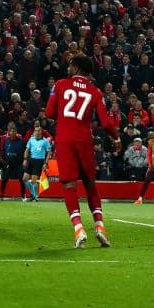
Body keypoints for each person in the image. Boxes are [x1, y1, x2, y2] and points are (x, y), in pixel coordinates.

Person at [44, 55, 122, 248]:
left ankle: (79, 229)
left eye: (71, 65)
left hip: (65, 140)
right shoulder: (96, 92)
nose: (68, 68)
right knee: (90, 183)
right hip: (85, 140)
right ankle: (100, 227)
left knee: (69, 185)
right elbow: (105, 123)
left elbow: (49, 113)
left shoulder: (60, 85)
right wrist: (116, 138)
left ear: (77, 68)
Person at [22, 126, 51, 202]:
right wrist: (25, 159)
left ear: (41, 132)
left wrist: (46, 163)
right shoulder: (31, 139)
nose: (37, 132)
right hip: (31, 160)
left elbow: (48, 153)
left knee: (33, 181)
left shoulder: (45, 141)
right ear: (34, 132)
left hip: (39, 161)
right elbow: (27, 150)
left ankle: (35, 197)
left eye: (38, 131)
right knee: (25, 179)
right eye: (36, 131)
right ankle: (34, 195)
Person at [0, 124, 27, 199]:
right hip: (9, 163)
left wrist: (24, 159)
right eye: (11, 131)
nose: (13, 132)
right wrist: (4, 159)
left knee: (21, 179)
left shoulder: (21, 141)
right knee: (5, 178)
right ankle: (1, 194)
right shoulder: (7, 141)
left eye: (14, 131)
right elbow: (4, 151)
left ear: (16, 132)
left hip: (18, 163)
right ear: (9, 132)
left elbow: (25, 151)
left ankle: (23, 195)